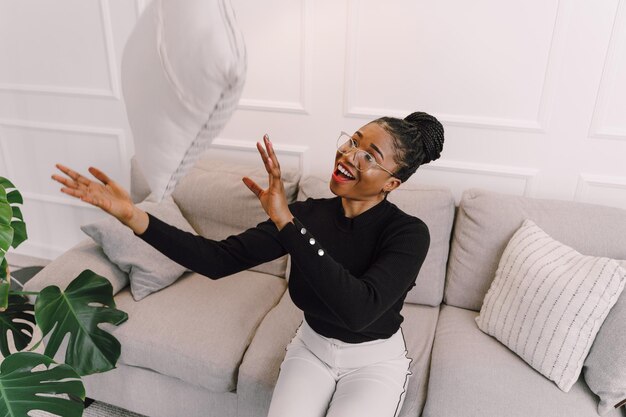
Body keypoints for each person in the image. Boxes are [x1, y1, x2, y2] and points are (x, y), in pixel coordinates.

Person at [51, 111, 444, 417]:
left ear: (392, 182)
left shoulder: (409, 233)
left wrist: (288, 225)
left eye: (368, 156)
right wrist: (134, 217)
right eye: (352, 142)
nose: (347, 155)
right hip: (312, 349)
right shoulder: (308, 215)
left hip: (373, 361)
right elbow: (217, 260)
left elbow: (358, 310)